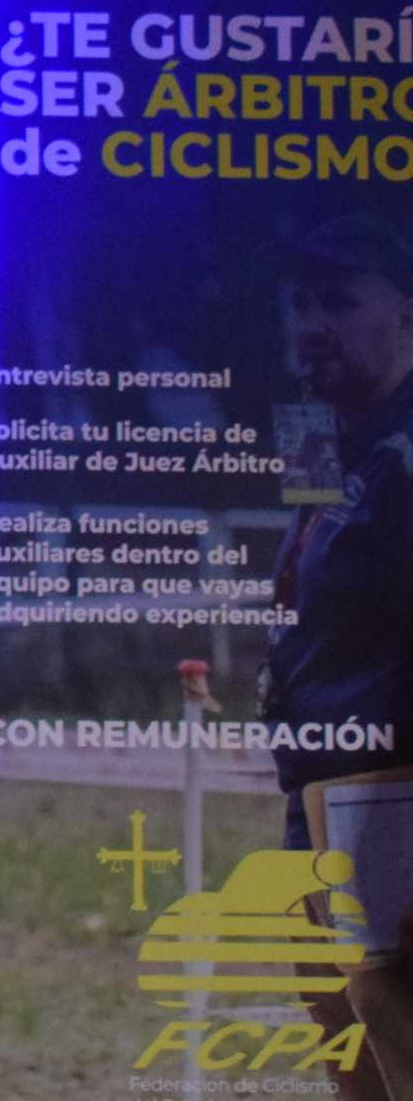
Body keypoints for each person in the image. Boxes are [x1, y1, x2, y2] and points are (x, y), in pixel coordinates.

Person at [261, 215, 413, 1098]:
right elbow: (305, 581)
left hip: (388, 774)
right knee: (330, 1005)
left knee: (382, 995)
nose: (313, 322)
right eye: (301, 303)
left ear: (405, 312)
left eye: (340, 301)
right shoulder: (315, 430)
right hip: (314, 773)